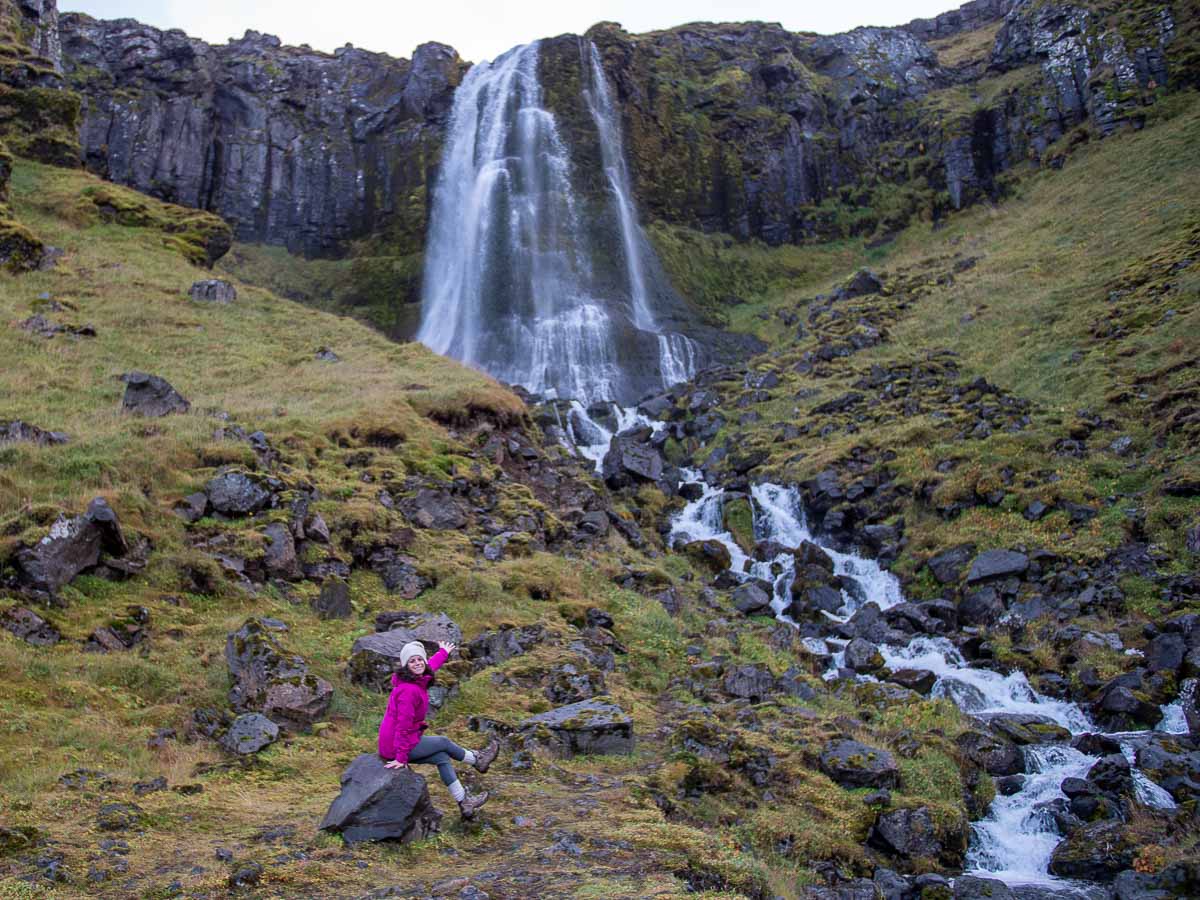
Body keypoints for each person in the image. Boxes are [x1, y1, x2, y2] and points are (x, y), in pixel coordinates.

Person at [378, 639, 498, 819]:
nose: (417, 663)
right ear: (405, 666)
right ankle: (477, 760)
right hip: (396, 744)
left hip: (400, 740)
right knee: (443, 742)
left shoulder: (416, 679)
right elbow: (403, 726)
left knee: (442, 757)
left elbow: (429, 666)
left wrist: (443, 652)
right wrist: (401, 758)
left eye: (420, 659)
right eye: (412, 661)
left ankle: (465, 802)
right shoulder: (409, 691)